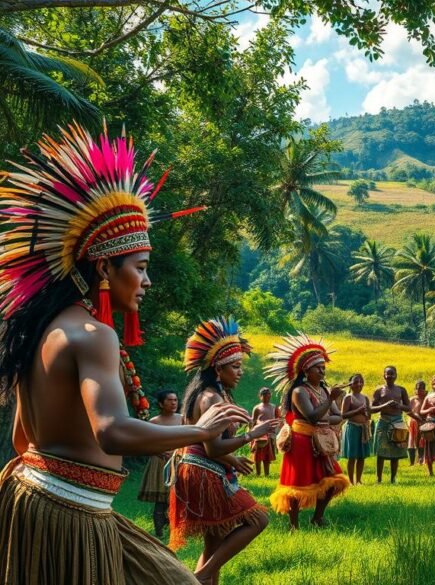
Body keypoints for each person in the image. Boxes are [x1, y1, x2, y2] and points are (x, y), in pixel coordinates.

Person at [0, 122, 249, 585]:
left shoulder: (35, 331)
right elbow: (112, 433)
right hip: (70, 512)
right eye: (140, 268)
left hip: (34, 501)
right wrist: (200, 429)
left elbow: (21, 440)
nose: (147, 281)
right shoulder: (95, 334)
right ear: (103, 266)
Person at [172, 317, 277, 584]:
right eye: (236, 366)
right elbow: (212, 445)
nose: (240, 372)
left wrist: (232, 460)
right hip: (204, 473)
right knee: (259, 519)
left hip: (198, 468)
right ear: (218, 369)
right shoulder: (212, 398)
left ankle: (203, 576)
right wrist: (251, 436)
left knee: (214, 544)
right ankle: (199, 576)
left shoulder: (205, 394)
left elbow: (206, 444)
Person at [265, 334, 350, 530]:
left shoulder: (324, 391)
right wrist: (330, 403)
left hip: (322, 440)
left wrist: (326, 411)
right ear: (306, 370)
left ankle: (317, 518)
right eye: (318, 368)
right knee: (298, 485)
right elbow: (311, 416)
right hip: (301, 441)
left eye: (323, 368)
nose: (322, 371)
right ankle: (293, 525)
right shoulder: (299, 392)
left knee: (331, 480)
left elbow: (338, 416)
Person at [139, 390, 183, 538]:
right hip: (159, 462)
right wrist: (160, 452)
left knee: (176, 498)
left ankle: (174, 531)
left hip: (178, 461)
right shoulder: (154, 422)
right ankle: (159, 533)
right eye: (170, 400)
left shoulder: (182, 419)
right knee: (161, 500)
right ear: (160, 403)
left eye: (175, 400)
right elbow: (145, 444)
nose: (173, 403)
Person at [371, 366, 412, 483]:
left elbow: (409, 408)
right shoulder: (379, 390)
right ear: (384, 375)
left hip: (397, 422)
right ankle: (378, 479)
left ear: (396, 375)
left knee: (396, 451)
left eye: (392, 374)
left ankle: (393, 478)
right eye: (387, 374)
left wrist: (399, 406)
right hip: (383, 421)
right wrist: (384, 405)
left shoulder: (401, 390)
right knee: (381, 451)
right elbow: (371, 408)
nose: (390, 376)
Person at [340, 374, 372, 485]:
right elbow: (343, 414)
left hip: (363, 429)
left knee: (361, 456)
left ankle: (358, 480)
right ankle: (351, 480)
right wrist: (358, 411)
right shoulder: (348, 397)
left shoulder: (365, 398)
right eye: (356, 382)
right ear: (350, 384)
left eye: (361, 382)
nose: (359, 384)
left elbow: (369, 414)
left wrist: (367, 414)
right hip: (352, 428)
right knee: (352, 456)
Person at [250, 387, 280, 476]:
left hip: (270, 434)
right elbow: (253, 421)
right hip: (259, 434)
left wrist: (275, 428)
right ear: (260, 396)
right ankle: (258, 473)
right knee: (258, 455)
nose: (267, 396)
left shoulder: (274, 407)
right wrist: (252, 434)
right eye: (264, 394)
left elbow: (277, 419)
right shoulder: (257, 408)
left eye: (268, 394)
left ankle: (267, 474)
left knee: (267, 456)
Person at [407, 380, 428, 465]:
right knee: (412, 441)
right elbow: (408, 411)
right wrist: (416, 417)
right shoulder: (412, 400)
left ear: (424, 390)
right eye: (417, 389)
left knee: (422, 441)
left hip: (424, 422)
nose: (419, 391)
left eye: (421, 389)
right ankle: (412, 462)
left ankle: (421, 459)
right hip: (413, 423)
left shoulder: (426, 399)